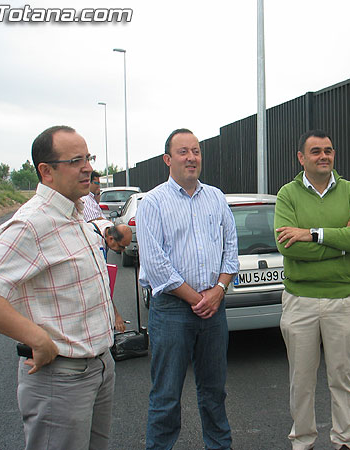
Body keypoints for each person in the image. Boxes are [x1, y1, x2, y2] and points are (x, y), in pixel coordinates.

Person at [0, 125, 116, 449]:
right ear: (46, 171)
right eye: (76, 161)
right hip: (60, 380)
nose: (88, 167)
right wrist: (37, 338)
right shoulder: (31, 223)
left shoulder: (75, 214)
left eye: (88, 157)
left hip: (99, 368)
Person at [274, 129, 350, 450]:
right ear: (301, 158)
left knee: (342, 378)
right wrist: (342, 241)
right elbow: (289, 246)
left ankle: (343, 441)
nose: (324, 156)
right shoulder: (287, 195)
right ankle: (303, 442)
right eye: (316, 151)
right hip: (300, 301)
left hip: (344, 301)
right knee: (301, 381)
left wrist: (314, 234)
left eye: (329, 150)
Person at [136, 128, 239, 450]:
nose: (191, 157)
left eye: (195, 151)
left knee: (214, 392)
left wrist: (218, 291)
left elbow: (231, 248)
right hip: (172, 311)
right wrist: (200, 299)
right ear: (168, 159)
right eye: (183, 152)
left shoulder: (216, 197)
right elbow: (155, 264)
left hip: (214, 306)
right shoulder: (152, 203)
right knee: (166, 394)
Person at [91, 219, 133, 332]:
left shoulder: (108, 227)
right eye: (121, 247)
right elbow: (103, 285)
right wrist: (116, 315)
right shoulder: (95, 244)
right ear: (110, 239)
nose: (123, 250)